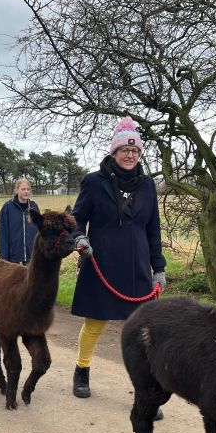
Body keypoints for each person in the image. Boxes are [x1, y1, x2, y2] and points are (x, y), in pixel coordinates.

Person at [70, 116, 167, 417]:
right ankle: (82, 370)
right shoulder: (93, 182)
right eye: (124, 150)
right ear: (113, 152)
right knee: (96, 323)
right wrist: (80, 239)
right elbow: (76, 219)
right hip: (101, 263)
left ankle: (145, 391)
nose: (130, 155)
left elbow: (153, 230)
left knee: (139, 333)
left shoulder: (148, 186)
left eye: (135, 151)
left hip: (137, 268)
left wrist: (159, 268)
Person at [0, 177, 40, 264]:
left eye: (28, 189)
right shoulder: (8, 207)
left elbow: (38, 231)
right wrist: (3, 256)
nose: (26, 191)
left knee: (30, 277)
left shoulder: (34, 207)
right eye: (23, 189)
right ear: (17, 190)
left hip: (31, 254)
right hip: (13, 254)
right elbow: (3, 233)